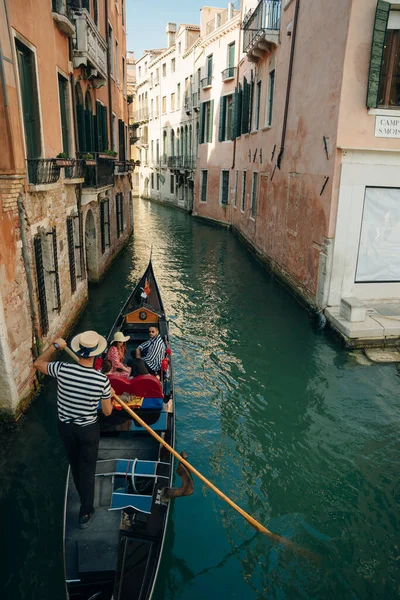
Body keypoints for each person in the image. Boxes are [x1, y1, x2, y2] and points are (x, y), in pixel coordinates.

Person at [33, 330, 113, 529]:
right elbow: (107, 412)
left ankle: (82, 494)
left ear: (80, 351)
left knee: (75, 465)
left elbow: (38, 364)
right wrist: (108, 394)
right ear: (95, 355)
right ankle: (86, 511)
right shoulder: (101, 381)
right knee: (88, 470)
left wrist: (55, 346)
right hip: (87, 431)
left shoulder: (62, 369)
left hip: (66, 429)